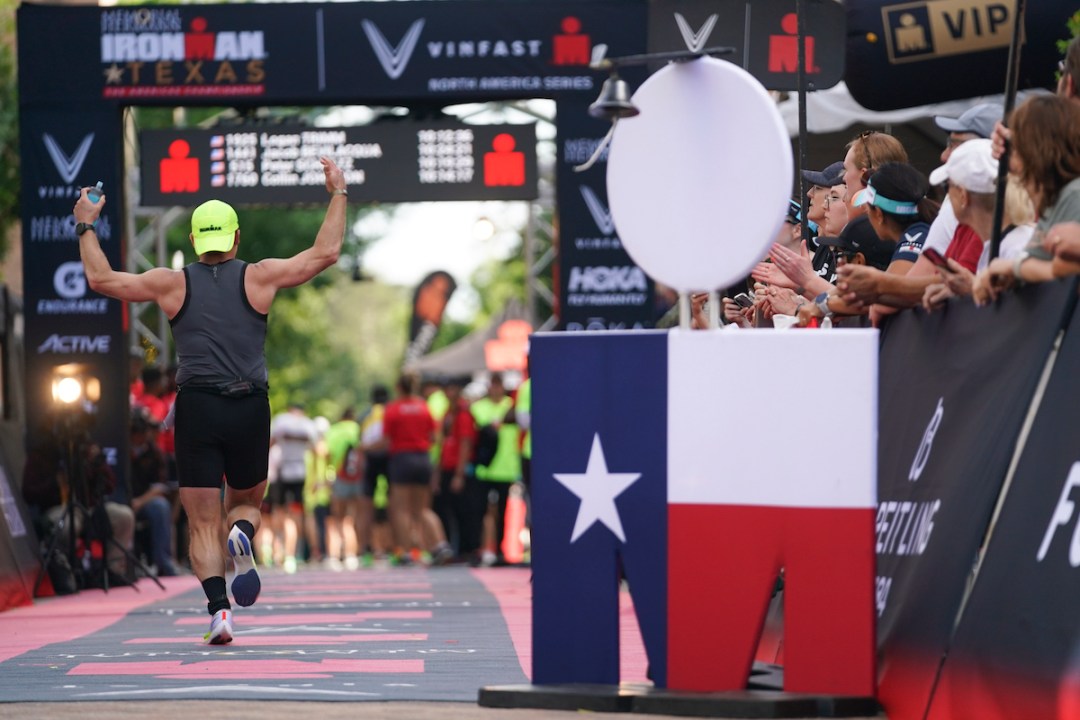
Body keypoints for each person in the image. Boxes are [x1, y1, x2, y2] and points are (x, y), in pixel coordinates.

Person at [73, 155, 348, 644]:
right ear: (237, 238)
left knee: (202, 522)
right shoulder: (260, 277)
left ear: (195, 241)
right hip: (249, 406)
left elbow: (102, 281)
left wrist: (84, 226)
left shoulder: (171, 283)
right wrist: (338, 193)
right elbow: (324, 253)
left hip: (197, 408)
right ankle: (241, 535)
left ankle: (219, 612)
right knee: (244, 505)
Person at [974, 94, 1080, 300]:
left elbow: (1063, 269)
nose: (1011, 152)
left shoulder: (1073, 193)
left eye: (1018, 144)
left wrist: (1013, 268)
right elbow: (1039, 263)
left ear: (1033, 148)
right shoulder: (1055, 200)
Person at [269, 402, 319, 573]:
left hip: (283, 473)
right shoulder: (307, 424)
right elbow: (316, 449)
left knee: (280, 513)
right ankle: (291, 553)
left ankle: (280, 551)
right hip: (299, 473)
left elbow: (271, 442)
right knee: (296, 515)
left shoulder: (281, 421)